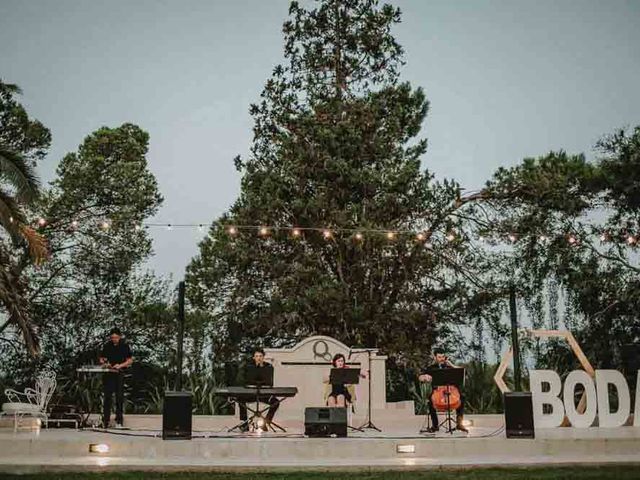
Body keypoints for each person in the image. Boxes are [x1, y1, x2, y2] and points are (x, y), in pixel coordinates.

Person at [418, 347, 468, 433]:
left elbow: (463, 372)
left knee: (462, 397)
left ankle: (459, 424)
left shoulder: (449, 366)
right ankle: (435, 425)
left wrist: (452, 365)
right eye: (439, 357)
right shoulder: (431, 368)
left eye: (443, 357)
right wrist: (424, 377)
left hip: (450, 390)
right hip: (437, 392)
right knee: (430, 400)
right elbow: (420, 377)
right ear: (435, 357)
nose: (442, 359)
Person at [98, 327, 133, 429]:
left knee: (119, 398)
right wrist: (104, 363)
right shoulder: (107, 346)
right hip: (109, 373)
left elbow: (130, 360)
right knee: (107, 397)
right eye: (112, 337)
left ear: (119, 337)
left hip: (119, 372)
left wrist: (121, 365)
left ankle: (119, 421)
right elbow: (102, 358)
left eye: (116, 337)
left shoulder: (124, 346)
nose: (114, 339)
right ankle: (106, 421)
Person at [238, 348, 279, 432]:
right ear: (254, 357)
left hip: (263, 394)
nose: (259, 358)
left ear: (263, 357)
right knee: (240, 400)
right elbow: (245, 381)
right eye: (257, 356)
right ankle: (244, 424)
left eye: (260, 356)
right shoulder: (248, 367)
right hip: (252, 394)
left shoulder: (269, 367)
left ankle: (266, 422)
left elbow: (270, 382)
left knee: (276, 402)